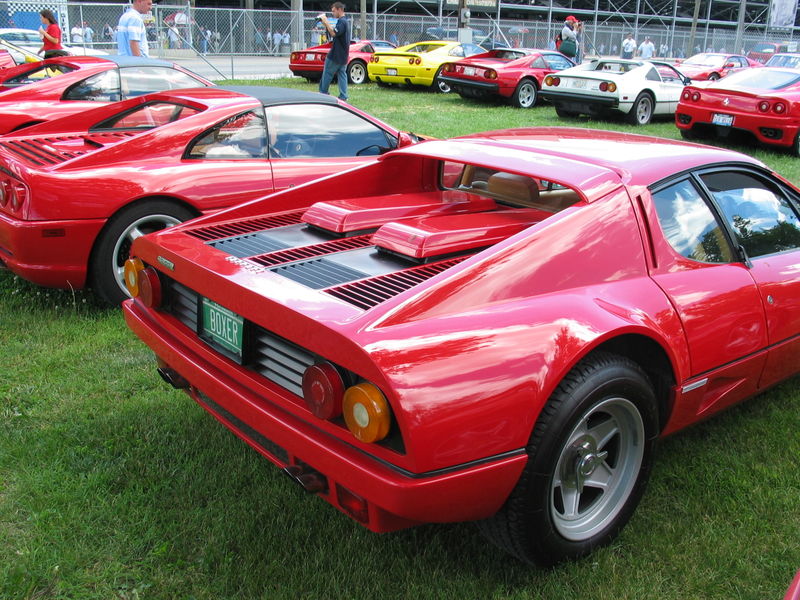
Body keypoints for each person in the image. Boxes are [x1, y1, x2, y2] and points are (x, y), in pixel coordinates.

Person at [318, 2, 350, 101]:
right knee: (342, 74)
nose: (333, 13)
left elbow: (334, 33)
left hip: (335, 55)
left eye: (334, 11)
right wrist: (325, 24)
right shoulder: (345, 22)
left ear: (339, 9)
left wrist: (326, 21)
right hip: (343, 55)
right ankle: (343, 96)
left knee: (327, 73)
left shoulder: (342, 22)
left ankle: (323, 93)